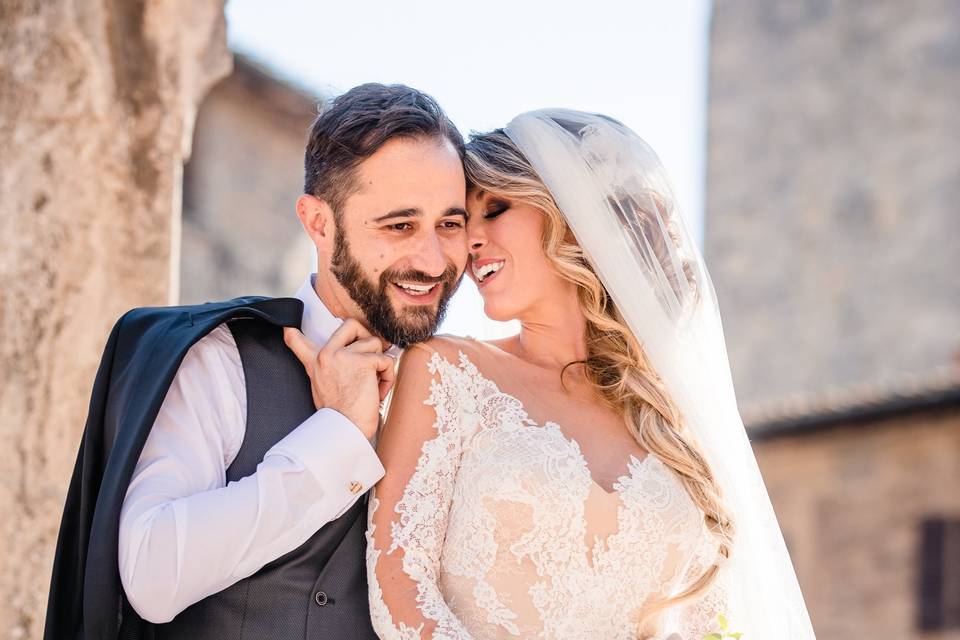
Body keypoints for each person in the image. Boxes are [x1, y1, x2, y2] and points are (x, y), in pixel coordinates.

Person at [364, 110, 816, 639]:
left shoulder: (669, 419)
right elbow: (398, 580)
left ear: (571, 216)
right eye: (465, 222)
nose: (470, 243)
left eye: (496, 209)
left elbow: (704, 622)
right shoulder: (447, 373)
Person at [44, 83, 469, 640]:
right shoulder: (217, 356)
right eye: (399, 226)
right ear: (319, 223)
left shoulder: (466, 392)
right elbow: (150, 575)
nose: (433, 258)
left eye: (450, 224)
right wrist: (337, 436)